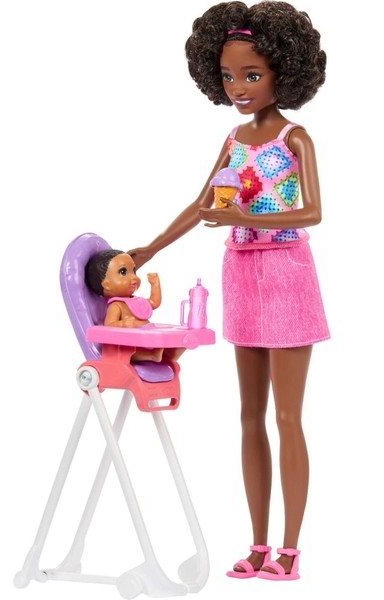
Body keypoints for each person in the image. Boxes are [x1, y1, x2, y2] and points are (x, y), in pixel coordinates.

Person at [128, 1, 329, 581]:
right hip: (240, 273)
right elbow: (202, 203)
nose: (238, 88)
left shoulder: (295, 138)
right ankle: (258, 544)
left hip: (286, 272)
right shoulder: (234, 138)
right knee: (249, 415)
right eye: (227, 76)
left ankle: (290, 549)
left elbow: (312, 212)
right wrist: (150, 249)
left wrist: (245, 215)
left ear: (283, 72)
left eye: (251, 75)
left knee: (287, 416)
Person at [85, 248, 185, 363]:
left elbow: (154, 302)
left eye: (133, 271)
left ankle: (169, 356)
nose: (133, 277)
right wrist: (122, 324)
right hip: (127, 344)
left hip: (144, 339)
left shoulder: (136, 301)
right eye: (123, 272)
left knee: (180, 343)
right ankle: (152, 355)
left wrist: (155, 285)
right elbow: (109, 325)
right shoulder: (116, 305)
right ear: (106, 285)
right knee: (127, 350)